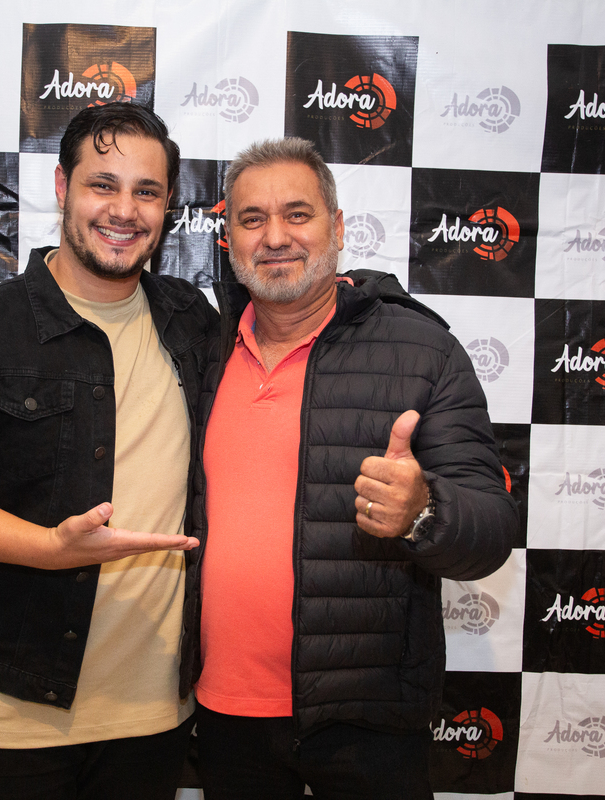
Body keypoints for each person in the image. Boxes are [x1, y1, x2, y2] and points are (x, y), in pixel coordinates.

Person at [0, 102, 218, 799]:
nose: (124, 210)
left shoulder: (193, 323)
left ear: (167, 207)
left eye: (146, 191)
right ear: (62, 187)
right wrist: (48, 549)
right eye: (103, 184)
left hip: (153, 717)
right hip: (6, 718)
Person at [184, 138, 518, 799]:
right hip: (225, 716)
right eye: (252, 219)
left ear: (336, 228)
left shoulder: (422, 351)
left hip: (368, 720)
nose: (275, 237)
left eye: (297, 214)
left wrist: (425, 511)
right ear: (229, 239)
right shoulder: (200, 350)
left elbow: (492, 529)